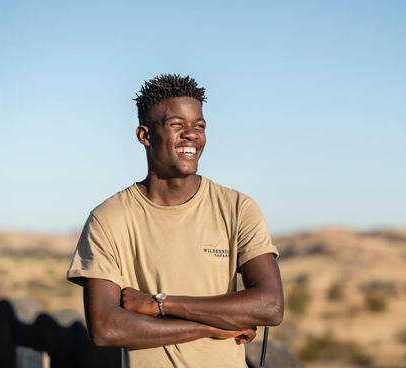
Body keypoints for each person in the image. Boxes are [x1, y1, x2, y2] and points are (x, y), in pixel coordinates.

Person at [66, 74, 284, 368]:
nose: (192, 134)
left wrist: (160, 304)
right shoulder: (109, 218)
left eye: (199, 126)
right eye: (177, 125)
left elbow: (270, 305)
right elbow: (107, 327)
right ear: (145, 135)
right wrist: (208, 327)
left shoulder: (236, 208)